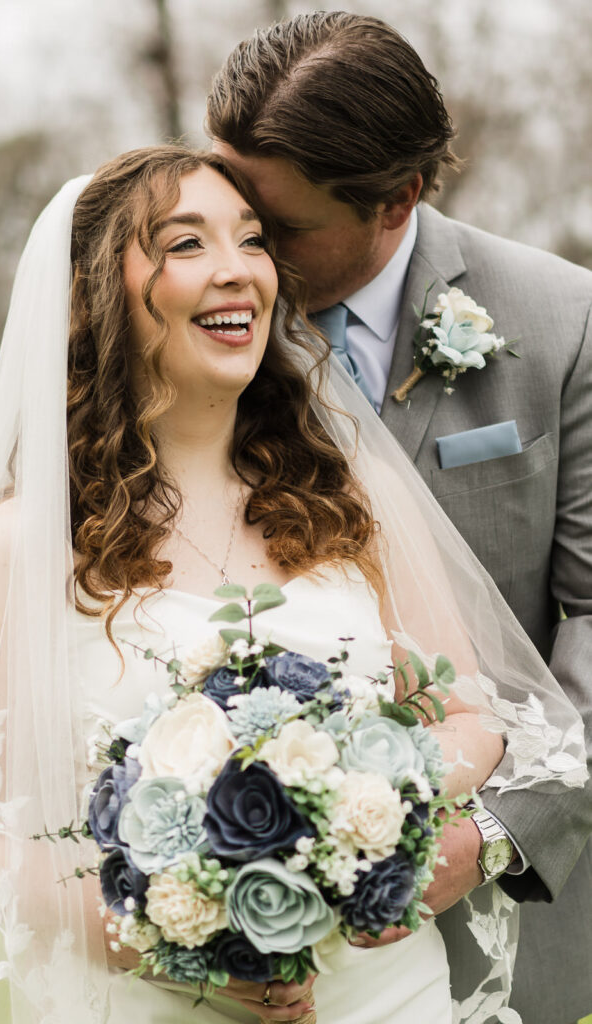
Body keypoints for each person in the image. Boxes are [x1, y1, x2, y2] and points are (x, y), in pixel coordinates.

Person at [0, 145, 585, 1024]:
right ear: (98, 289)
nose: (236, 271)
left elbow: (465, 718)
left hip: (387, 994)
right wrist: (166, 930)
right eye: (185, 244)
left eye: (250, 241)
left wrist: (359, 816)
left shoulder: (350, 500)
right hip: (148, 997)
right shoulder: (24, 543)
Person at [206, 11, 592, 1024]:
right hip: (245, 921)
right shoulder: (200, 338)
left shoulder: (563, 325)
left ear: (397, 198)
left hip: (496, 917)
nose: (245, 255)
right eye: (231, 209)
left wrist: (497, 833)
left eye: (278, 229)